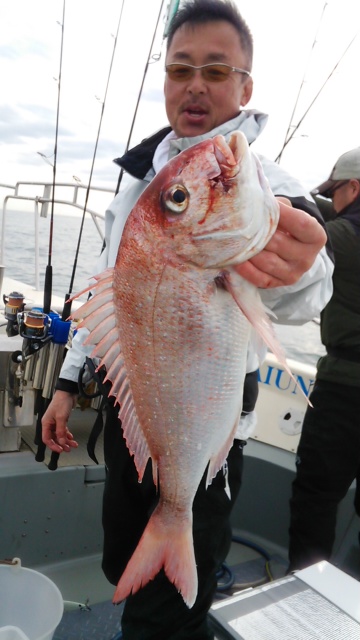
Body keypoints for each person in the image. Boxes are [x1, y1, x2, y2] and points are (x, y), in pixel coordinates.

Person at [42, 1, 333, 638]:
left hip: (207, 428)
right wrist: (66, 385)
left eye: (216, 68)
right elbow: (103, 299)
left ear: (245, 86)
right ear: (166, 81)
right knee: (123, 551)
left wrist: (302, 268)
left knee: (175, 605)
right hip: (133, 408)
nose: (195, 84)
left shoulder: (264, 184)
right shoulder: (137, 186)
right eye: (180, 69)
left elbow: (309, 292)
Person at [288, 147, 360, 572]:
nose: (332, 201)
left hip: (346, 391)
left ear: (354, 187)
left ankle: (304, 597)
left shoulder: (346, 236)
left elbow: (316, 231)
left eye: (335, 192)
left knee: (316, 495)